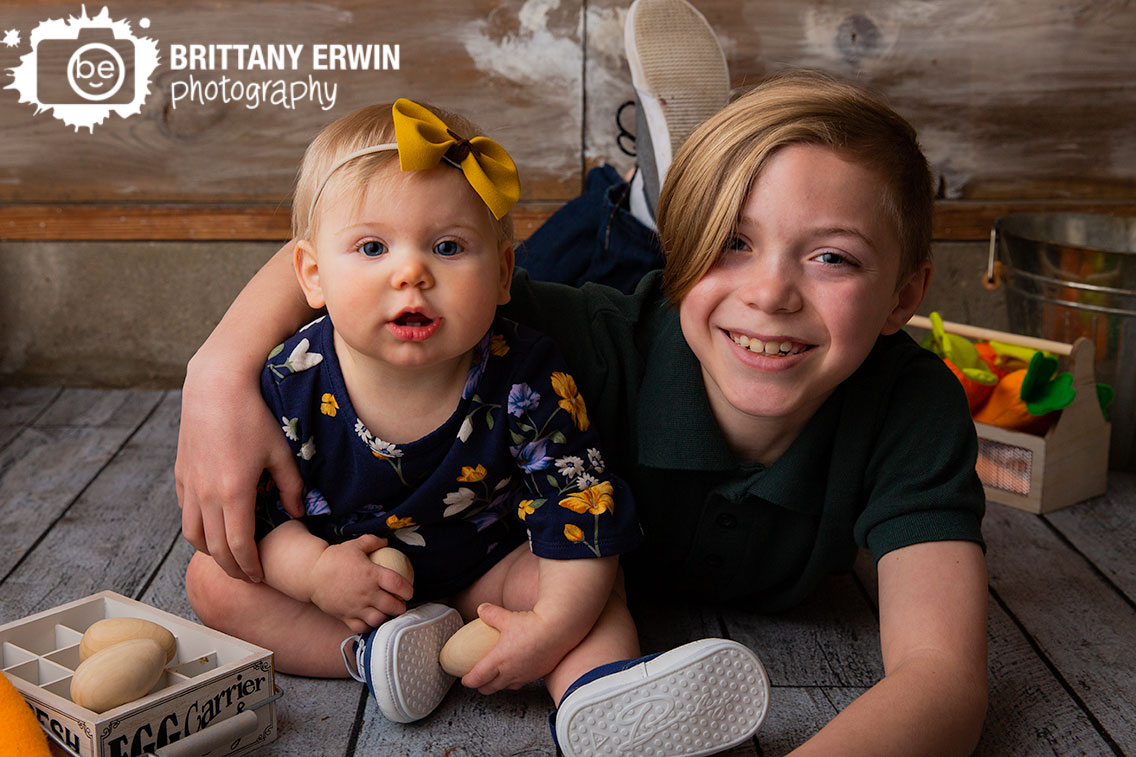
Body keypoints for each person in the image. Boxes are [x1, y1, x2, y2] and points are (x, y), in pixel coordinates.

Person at [177, 2, 989, 754]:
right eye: (734, 242)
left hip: (547, 484)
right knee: (554, 261)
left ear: (905, 298)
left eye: (833, 257)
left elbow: (945, 678)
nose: (772, 294)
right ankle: (648, 202)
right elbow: (373, 244)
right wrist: (217, 368)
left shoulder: (912, 407)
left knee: (525, 274)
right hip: (611, 305)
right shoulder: (582, 339)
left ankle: (662, 196)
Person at [183, 96, 769, 754]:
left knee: (589, 581)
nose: (412, 272)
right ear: (312, 275)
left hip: (491, 568)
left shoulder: (525, 374)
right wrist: (316, 572)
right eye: (372, 246)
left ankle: (598, 695)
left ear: (502, 274)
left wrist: (550, 624)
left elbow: (576, 501)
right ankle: (371, 656)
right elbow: (265, 512)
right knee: (214, 578)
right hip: (351, 582)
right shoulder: (292, 377)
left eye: (449, 246)